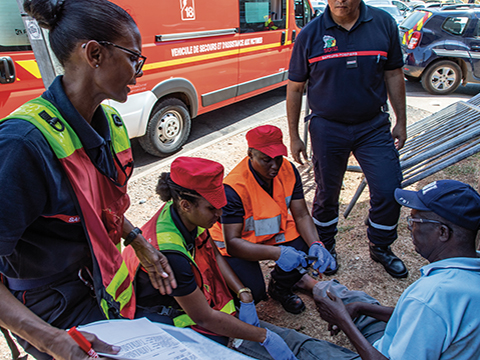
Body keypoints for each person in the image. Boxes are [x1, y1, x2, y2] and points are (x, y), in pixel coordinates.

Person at [0, 0, 176, 359]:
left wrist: (137, 240)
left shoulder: (111, 124)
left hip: (103, 287)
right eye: (133, 58)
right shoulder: (22, 146)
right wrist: (48, 338)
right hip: (54, 308)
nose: (138, 71)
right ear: (94, 54)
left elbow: (96, 203)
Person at [123, 157, 298, 360]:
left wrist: (243, 292)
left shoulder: (182, 214)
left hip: (176, 294)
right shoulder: (170, 256)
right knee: (215, 342)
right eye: (212, 208)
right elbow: (204, 318)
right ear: (186, 204)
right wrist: (264, 336)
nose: (220, 213)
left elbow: (213, 252)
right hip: (149, 314)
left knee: (252, 289)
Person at [286, 0, 408, 278]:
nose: (339, 0)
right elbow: (294, 88)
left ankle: (380, 246)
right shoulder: (310, 34)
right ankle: (326, 247)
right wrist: (294, 136)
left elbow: (393, 74)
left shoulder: (383, 24)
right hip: (327, 128)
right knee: (327, 193)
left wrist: (401, 120)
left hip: (373, 126)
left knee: (389, 189)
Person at [313, 180, 480, 359]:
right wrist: (361, 308)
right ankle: (312, 284)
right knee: (357, 299)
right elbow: (421, 317)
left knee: (297, 344)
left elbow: (426, 309)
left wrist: (343, 321)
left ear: (442, 232)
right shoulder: (468, 273)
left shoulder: (430, 296)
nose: (410, 228)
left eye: (414, 221)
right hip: (402, 339)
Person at [210, 125, 336, 314]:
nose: (275, 166)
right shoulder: (234, 187)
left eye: (278, 158)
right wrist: (277, 254)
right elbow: (233, 244)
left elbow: (301, 215)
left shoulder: (288, 170)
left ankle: (280, 288)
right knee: (254, 291)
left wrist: (316, 243)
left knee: (304, 248)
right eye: (266, 160)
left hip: (272, 233)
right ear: (250, 154)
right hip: (236, 245)